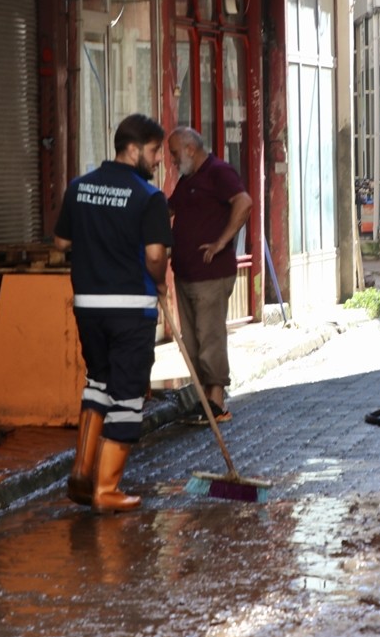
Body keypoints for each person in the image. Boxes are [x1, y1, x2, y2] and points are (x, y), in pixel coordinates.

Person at [54, 113, 172, 512]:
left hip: (88, 306)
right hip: (130, 309)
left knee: (98, 384)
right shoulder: (149, 198)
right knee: (127, 395)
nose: (158, 161)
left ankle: (82, 477)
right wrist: (160, 283)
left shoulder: (79, 187)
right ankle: (107, 490)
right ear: (134, 149)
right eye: (155, 151)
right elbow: (156, 256)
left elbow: (60, 241)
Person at [166, 126, 252, 423]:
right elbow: (169, 209)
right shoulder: (188, 178)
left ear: (190, 149)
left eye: (175, 153)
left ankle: (216, 401)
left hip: (211, 273)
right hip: (185, 271)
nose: (173, 160)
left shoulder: (219, 171)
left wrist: (221, 242)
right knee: (191, 341)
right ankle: (204, 398)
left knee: (210, 337)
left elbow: (244, 203)